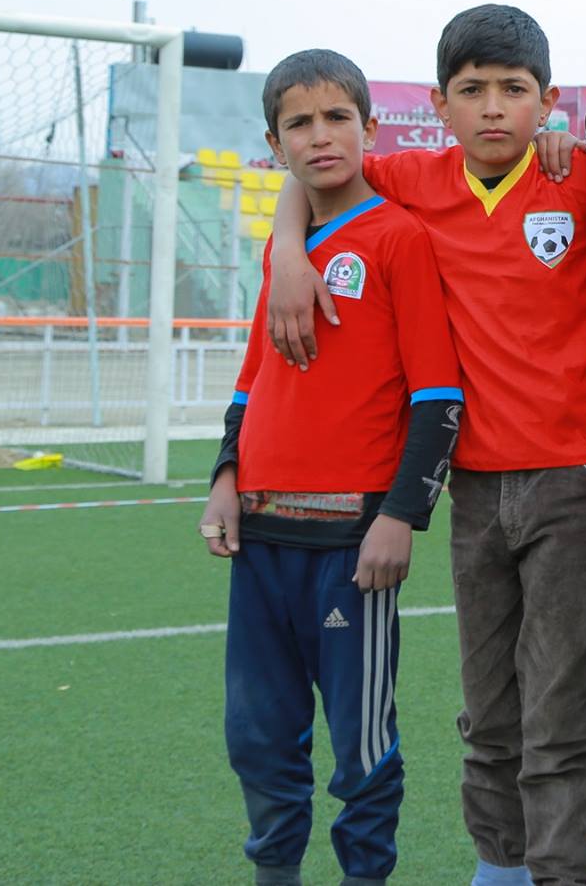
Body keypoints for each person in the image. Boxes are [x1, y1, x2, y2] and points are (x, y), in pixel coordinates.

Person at [265, 6, 586, 886]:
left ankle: (562, 872)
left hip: (580, 480)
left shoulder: (580, 178)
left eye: (515, 90)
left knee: (560, 706)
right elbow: (312, 171)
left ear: (549, 100)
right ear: (438, 102)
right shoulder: (414, 178)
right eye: (472, 91)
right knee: (488, 702)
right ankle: (498, 865)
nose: (493, 108)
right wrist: (284, 251)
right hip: (472, 487)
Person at [201, 48, 464, 886]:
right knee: (258, 734)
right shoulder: (287, 258)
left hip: (351, 542)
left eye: (337, 117)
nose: (321, 136)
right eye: (300, 124)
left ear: (370, 127)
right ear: (274, 145)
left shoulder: (399, 238)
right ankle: (274, 872)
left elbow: (437, 395)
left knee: (362, 743)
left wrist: (400, 514)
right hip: (261, 540)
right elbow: (252, 382)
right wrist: (222, 478)